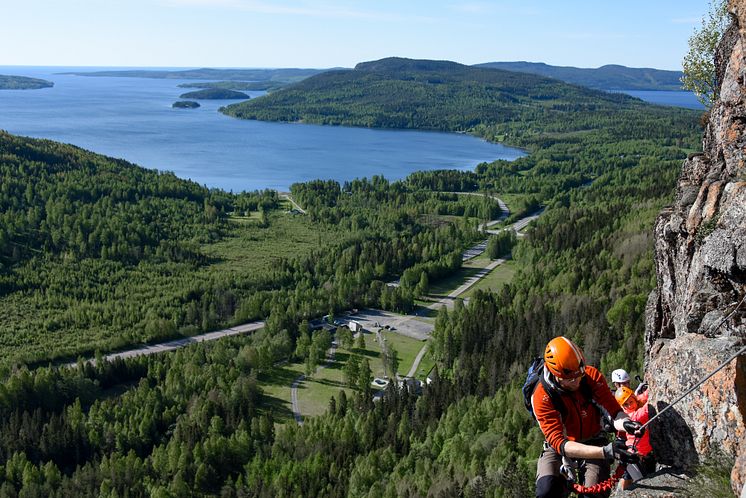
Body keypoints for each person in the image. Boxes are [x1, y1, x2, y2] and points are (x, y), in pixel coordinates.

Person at [533, 337, 643, 498]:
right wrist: (606, 452)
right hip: (560, 445)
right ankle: (563, 482)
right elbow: (559, 443)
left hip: (594, 439)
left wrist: (626, 423)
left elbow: (613, 411)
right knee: (546, 492)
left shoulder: (590, 377)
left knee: (593, 495)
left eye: (580, 374)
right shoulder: (542, 396)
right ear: (556, 375)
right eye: (570, 379)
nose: (577, 381)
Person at [615, 386, 656, 490]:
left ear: (634, 398)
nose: (630, 406)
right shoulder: (630, 416)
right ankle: (622, 493)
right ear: (622, 407)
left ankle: (622, 491)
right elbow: (644, 411)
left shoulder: (638, 401)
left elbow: (643, 397)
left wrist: (651, 389)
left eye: (631, 401)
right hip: (634, 454)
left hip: (644, 453)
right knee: (634, 478)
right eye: (626, 404)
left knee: (642, 477)